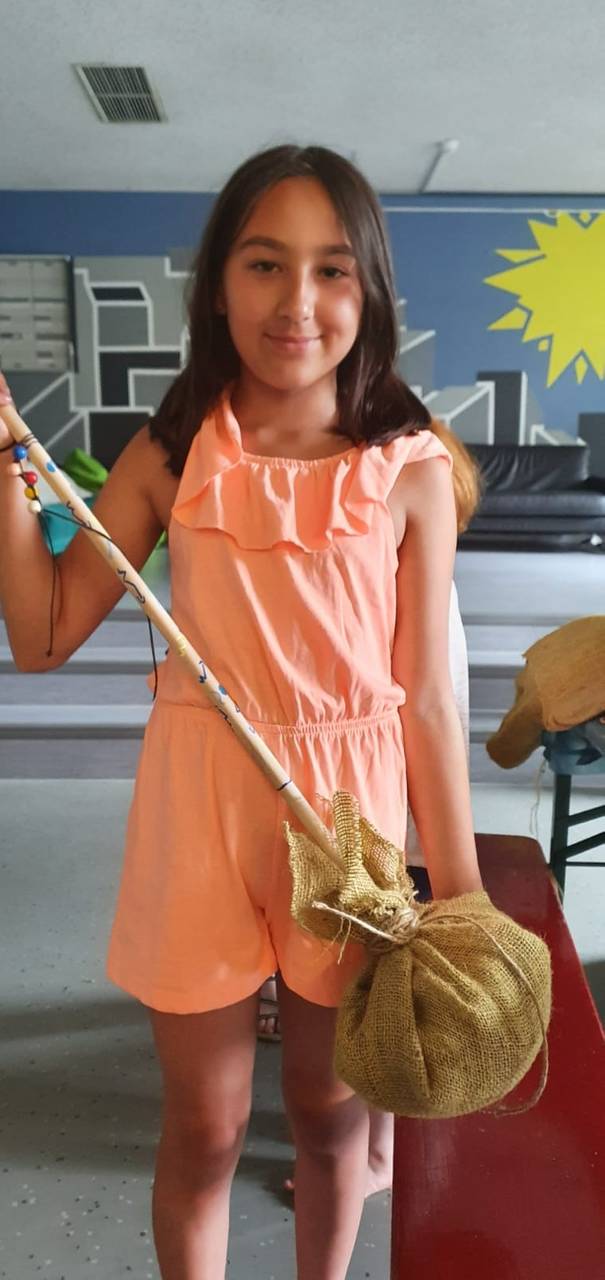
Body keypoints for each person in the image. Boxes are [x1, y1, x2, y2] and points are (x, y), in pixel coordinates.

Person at [0, 143, 485, 1280]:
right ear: (218, 283)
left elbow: (425, 695)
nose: (296, 301)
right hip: (198, 812)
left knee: (328, 1116)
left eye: (331, 269)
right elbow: (43, 633)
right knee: (208, 1127)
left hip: (348, 828)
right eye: (265, 263)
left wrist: (460, 894)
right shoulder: (174, 450)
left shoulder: (409, 469)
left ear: (369, 290)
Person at [257, 421, 481, 1199]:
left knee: (382, 979)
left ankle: (379, 1153)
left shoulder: (418, 587)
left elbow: (432, 706)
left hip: (389, 803)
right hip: (354, 796)